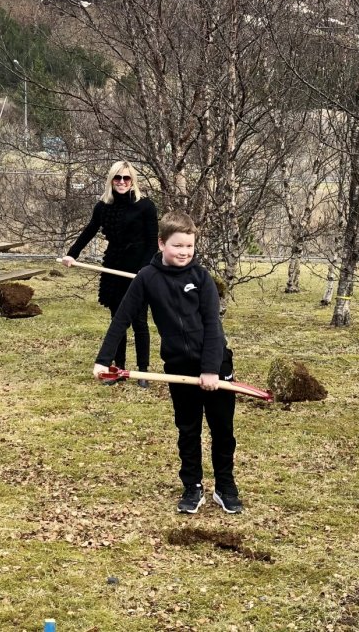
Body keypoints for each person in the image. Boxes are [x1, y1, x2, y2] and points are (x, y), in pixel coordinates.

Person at [92, 211, 243, 515]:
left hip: (215, 364)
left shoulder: (202, 279)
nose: (185, 252)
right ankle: (193, 486)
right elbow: (122, 318)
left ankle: (225, 486)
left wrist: (212, 370)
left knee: (222, 429)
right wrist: (103, 359)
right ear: (161, 244)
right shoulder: (147, 278)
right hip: (178, 368)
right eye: (178, 246)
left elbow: (213, 326)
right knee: (188, 429)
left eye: (189, 246)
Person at [62, 160, 158, 387]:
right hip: (113, 266)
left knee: (139, 322)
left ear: (132, 180)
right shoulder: (103, 207)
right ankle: (119, 369)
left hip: (138, 270)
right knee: (117, 320)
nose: (122, 182)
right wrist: (71, 254)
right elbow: (89, 231)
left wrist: (145, 270)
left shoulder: (145, 206)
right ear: (111, 180)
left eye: (126, 178)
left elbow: (152, 242)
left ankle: (143, 371)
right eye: (117, 178)